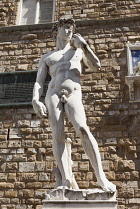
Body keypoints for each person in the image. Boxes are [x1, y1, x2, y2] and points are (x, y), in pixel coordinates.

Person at [32, 18, 116, 192]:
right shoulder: (48, 57)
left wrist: (85, 46)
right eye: (66, 28)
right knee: (57, 135)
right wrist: (35, 99)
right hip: (53, 93)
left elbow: (96, 66)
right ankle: (66, 180)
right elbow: (39, 81)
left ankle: (101, 177)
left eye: (71, 28)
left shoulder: (78, 51)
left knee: (83, 129)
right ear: (57, 30)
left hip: (74, 92)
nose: (69, 31)